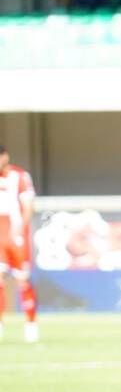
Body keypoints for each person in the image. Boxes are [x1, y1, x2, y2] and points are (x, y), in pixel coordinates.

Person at [0, 144, 39, 343]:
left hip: (16, 234)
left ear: (5, 156)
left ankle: (31, 324)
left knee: (22, 280)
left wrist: (21, 227)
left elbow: (28, 205)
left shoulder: (20, 176)